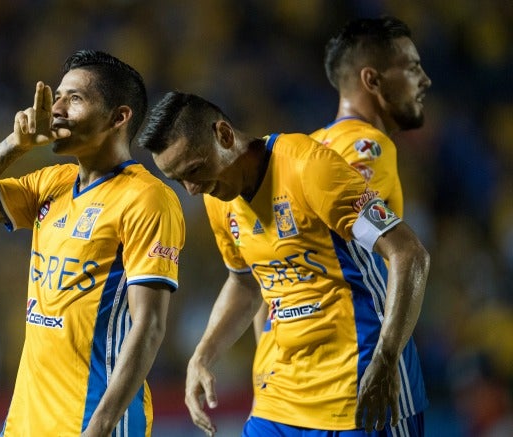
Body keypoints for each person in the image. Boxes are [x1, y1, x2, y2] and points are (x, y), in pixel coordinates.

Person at [137, 91, 430, 436]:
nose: (191, 189)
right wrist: (203, 354)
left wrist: (387, 358)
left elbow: (408, 253)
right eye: (178, 180)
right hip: (281, 398)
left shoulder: (311, 168)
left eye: (195, 170)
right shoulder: (219, 197)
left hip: (358, 386)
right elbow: (245, 282)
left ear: (225, 135)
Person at [0, 50, 185, 437]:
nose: (57, 109)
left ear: (119, 117)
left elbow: (149, 325)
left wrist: (100, 426)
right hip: (26, 422)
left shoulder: (147, 198)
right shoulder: (51, 183)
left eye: (75, 99)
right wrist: (13, 145)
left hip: (92, 422)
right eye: (58, 96)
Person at [251, 14, 434, 430]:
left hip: (295, 382)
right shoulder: (367, 146)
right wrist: (386, 359)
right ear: (372, 80)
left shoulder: (307, 149)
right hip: (358, 367)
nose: (425, 80)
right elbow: (384, 246)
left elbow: (271, 271)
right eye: (412, 67)